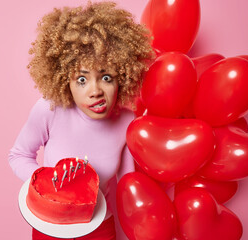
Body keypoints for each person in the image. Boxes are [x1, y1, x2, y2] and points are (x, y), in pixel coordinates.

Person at [8, 1, 154, 240]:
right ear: (65, 80)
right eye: (82, 80)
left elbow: (128, 187)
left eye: (106, 77)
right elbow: (18, 155)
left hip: (100, 229)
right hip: (50, 226)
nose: (95, 91)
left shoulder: (128, 122)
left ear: (123, 77)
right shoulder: (50, 109)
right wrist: (48, 183)